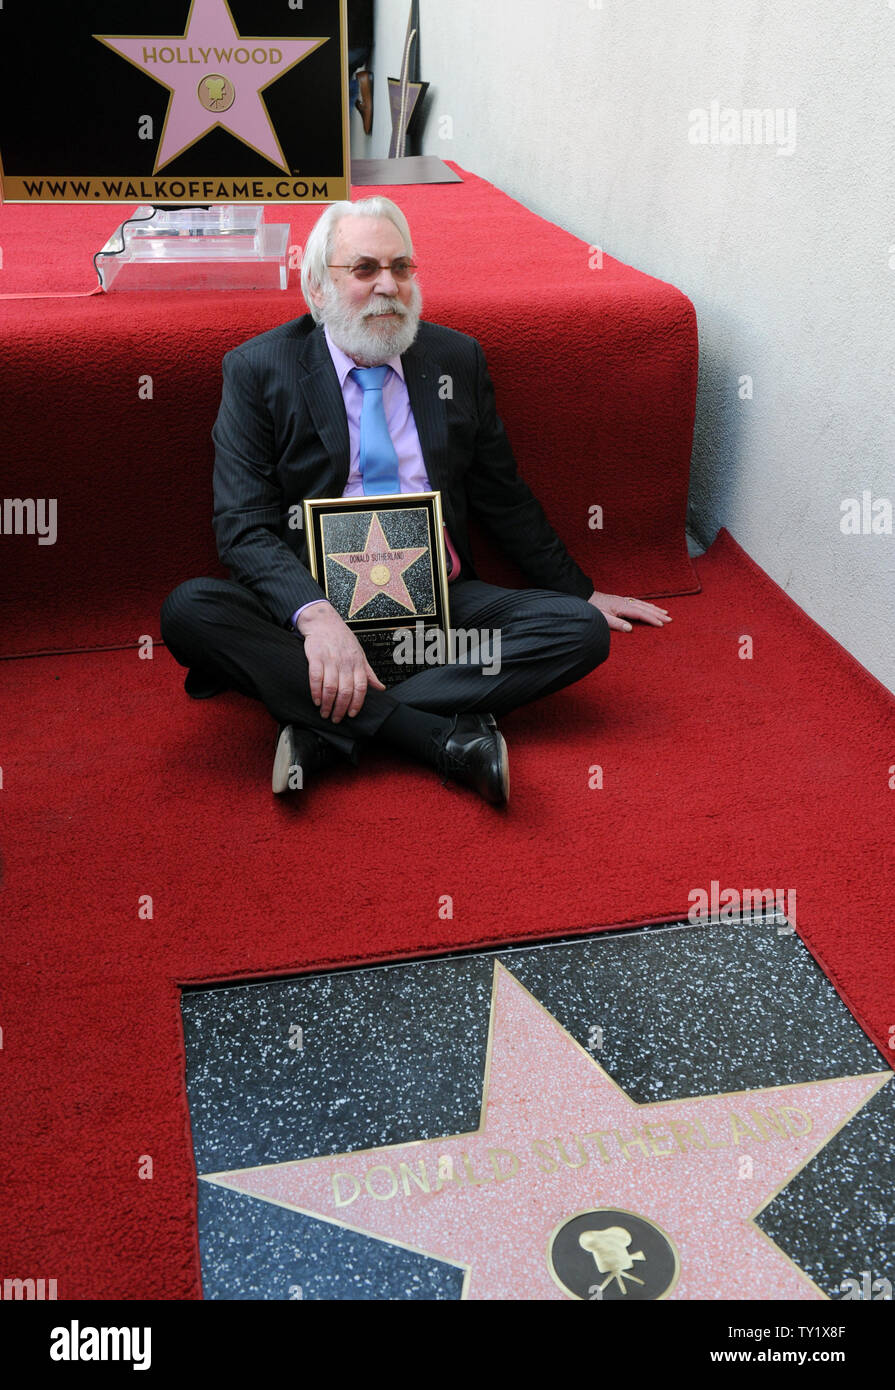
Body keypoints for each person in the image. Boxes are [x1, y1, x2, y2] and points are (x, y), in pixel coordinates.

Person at [160, 196, 671, 807]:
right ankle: (433, 736)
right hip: (312, 609)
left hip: (440, 608)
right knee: (190, 611)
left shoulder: (454, 359)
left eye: (402, 268)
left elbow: (501, 495)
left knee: (578, 632)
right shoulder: (258, 369)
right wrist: (319, 619)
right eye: (365, 269)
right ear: (318, 288)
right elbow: (243, 527)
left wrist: (580, 591)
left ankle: (323, 722)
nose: (389, 287)